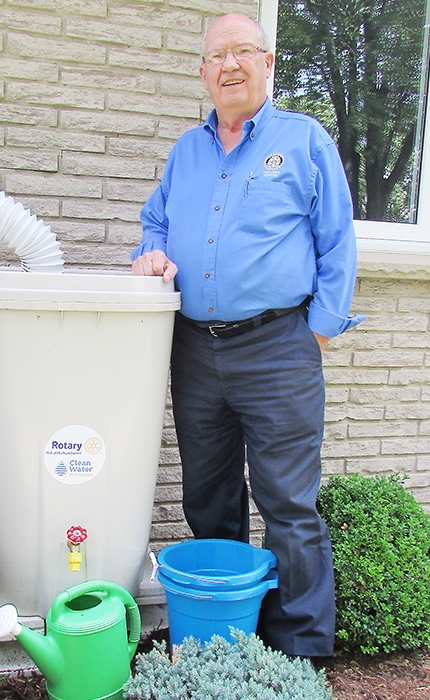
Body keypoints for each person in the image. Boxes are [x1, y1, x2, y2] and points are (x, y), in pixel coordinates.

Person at [131, 12, 363, 661]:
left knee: (288, 505)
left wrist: (313, 336)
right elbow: (154, 222)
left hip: (278, 346)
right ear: (204, 73)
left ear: (267, 63)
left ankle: (302, 654)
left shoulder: (303, 139)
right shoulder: (187, 150)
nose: (229, 65)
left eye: (242, 52)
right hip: (194, 348)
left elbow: (337, 242)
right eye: (216, 56)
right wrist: (149, 253)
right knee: (209, 499)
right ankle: (231, 636)